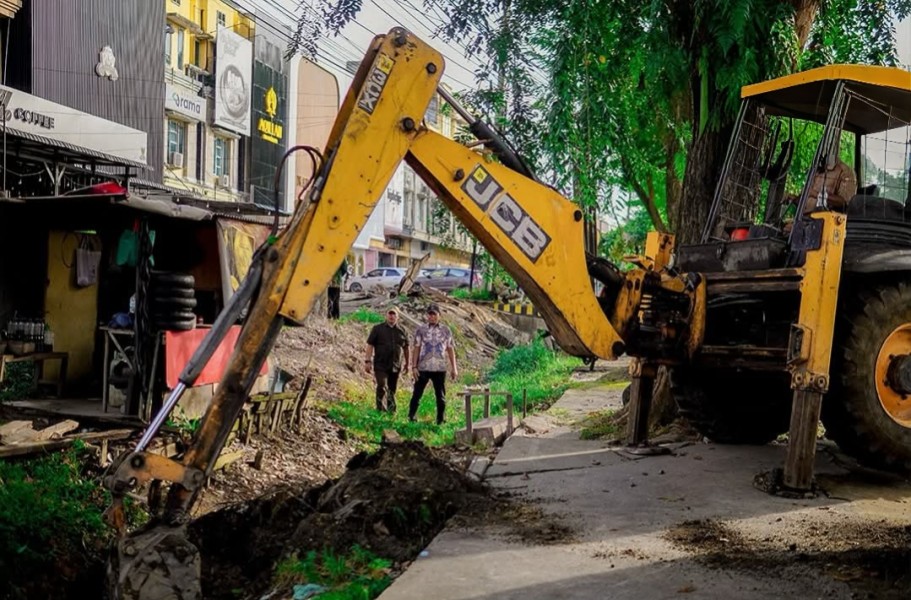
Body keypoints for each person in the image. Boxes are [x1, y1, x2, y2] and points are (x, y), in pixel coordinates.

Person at [408, 303, 458, 425]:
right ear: (427, 316)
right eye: (429, 314)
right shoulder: (421, 330)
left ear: (439, 315)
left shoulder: (446, 331)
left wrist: (454, 368)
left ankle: (441, 420)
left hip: (440, 368)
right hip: (423, 367)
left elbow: (450, 350)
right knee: (417, 394)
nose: (432, 317)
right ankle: (411, 417)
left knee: (440, 396)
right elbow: (416, 348)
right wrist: (414, 366)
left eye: (434, 314)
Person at [365, 308, 410, 413]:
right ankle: (380, 409)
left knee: (392, 389)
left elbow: (406, 348)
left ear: (397, 317)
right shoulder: (377, 329)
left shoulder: (402, 331)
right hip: (381, 364)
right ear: (386, 315)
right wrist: (368, 361)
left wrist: (407, 364)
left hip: (395, 365)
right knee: (382, 384)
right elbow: (370, 345)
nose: (391, 316)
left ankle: (391, 410)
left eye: (394, 314)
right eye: (390, 314)